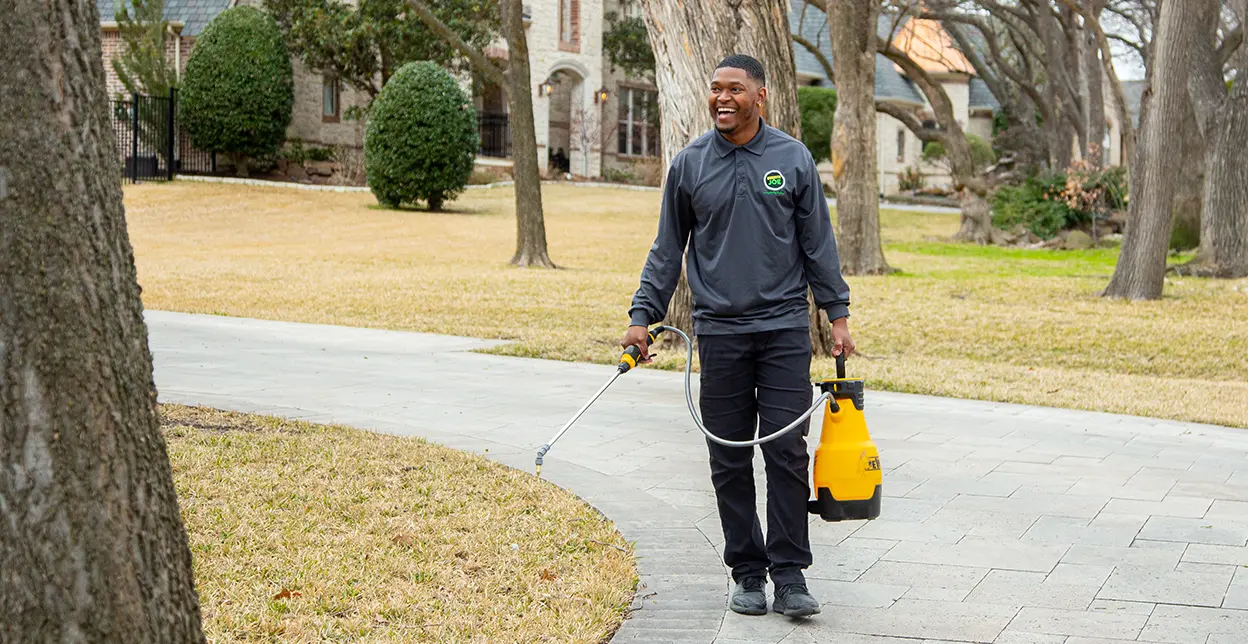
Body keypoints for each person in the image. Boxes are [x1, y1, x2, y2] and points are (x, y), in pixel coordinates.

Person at [621, 54, 854, 618]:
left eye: (735, 89)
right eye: (715, 88)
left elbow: (817, 242)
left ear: (761, 95)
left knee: (785, 452)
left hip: (783, 332)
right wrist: (641, 316)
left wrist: (836, 312)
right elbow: (666, 249)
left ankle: (791, 575)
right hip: (720, 332)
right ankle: (746, 572)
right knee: (727, 457)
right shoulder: (690, 164)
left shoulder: (791, 158)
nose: (723, 98)